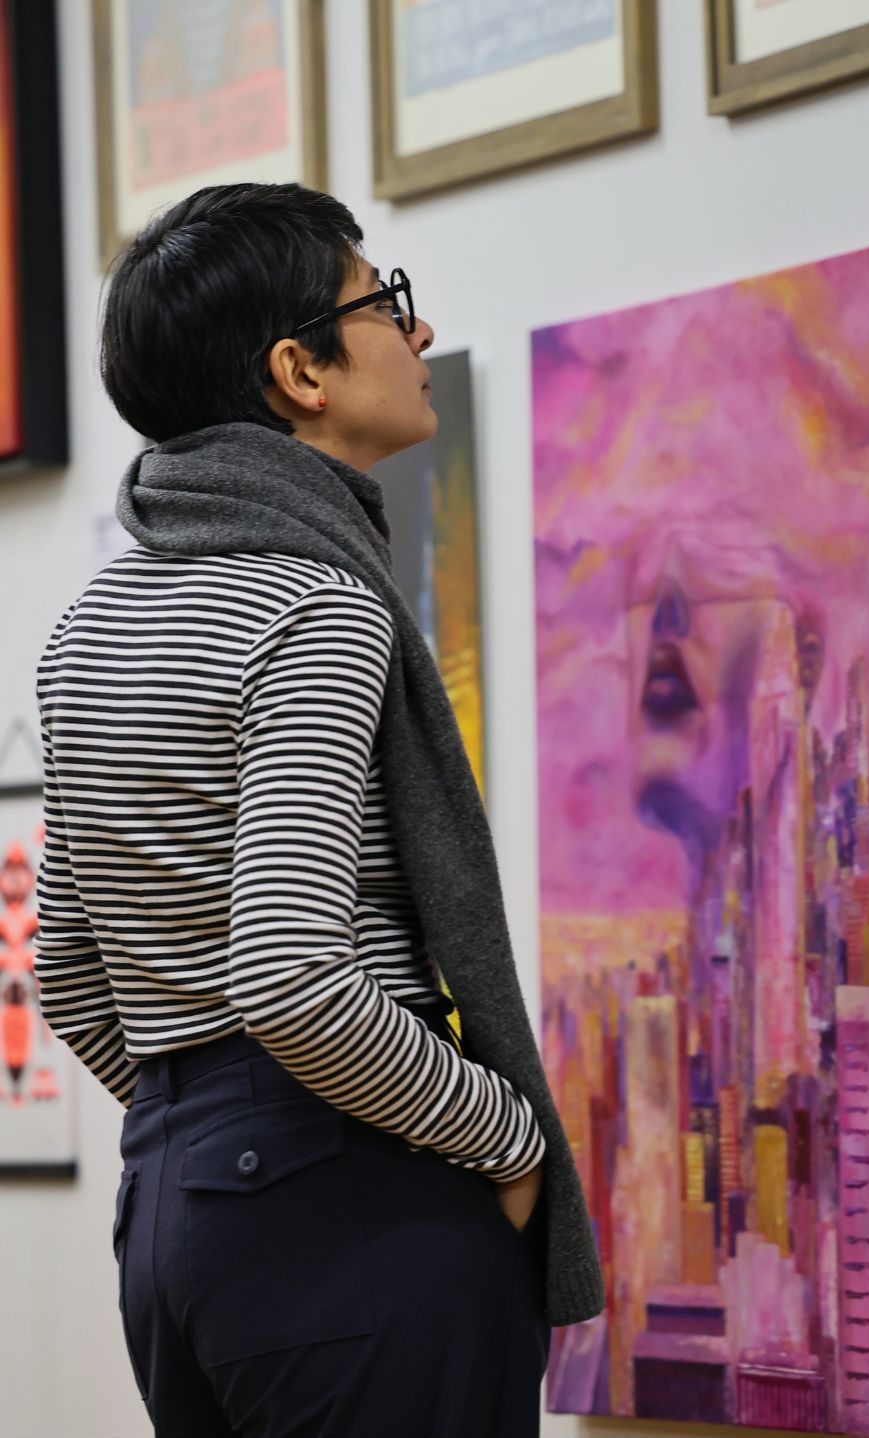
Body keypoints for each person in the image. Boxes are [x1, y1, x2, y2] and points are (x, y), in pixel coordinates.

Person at [34, 182, 602, 1437]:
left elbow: (71, 975)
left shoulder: (89, 627)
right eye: (383, 300)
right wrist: (505, 1137)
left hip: (176, 1217)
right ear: (300, 370)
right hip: (357, 1210)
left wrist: (217, 1132)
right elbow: (291, 974)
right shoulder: (317, 604)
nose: (421, 328)